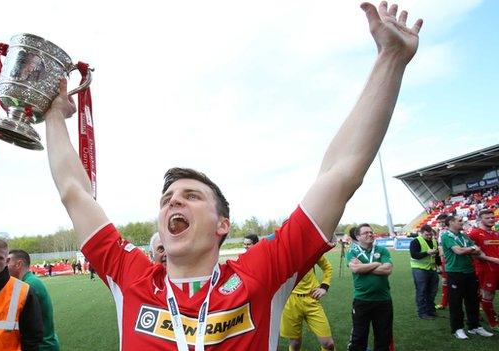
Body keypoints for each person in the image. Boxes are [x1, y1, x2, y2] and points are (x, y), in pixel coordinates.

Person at [43, 1, 423, 349]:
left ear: (223, 224)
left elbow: (339, 175)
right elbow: (75, 192)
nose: (173, 199)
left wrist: (390, 60)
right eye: (167, 198)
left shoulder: (260, 273)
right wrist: (54, 115)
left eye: (192, 195)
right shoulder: (132, 276)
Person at [440, 215, 493, 339]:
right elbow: (459, 251)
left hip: (469, 271)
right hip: (455, 272)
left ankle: (474, 327)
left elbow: (478, 250)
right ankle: (457, 328)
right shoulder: (446, 236)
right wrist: (471, 248)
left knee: (473, 301)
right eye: (459, 221)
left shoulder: (463, 236)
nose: (462, 222)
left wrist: (469, 249)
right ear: (451, 222)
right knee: (456, 302)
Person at [346, 224, 394, 351]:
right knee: (359, 337)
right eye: (366, 233)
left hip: (383, 300)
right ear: (358, 236)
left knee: (384, 338)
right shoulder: (352, 251)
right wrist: (377, 263)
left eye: (371, 232)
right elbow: (355, 268)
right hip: (362, 300)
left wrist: (365, 266)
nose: (370, 234)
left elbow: (387, 269)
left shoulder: (382, 250)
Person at [8, 249, 61, 351]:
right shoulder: (31, 281)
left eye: (8, 261)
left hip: (41, 347)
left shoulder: (28, 286)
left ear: (18, 264)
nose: (4, 265)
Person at [280, 255, 335, 351]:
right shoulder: (282, 252)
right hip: (290, 301)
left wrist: (324, 286)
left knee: (328, 344)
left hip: (311, 299)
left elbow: (327, 267)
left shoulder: (312, 250)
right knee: (295, 342)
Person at [468, 209, 499, 332]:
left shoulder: (495, 234)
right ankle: (493, 323)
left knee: (485, 295)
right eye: (488, 218)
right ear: (480, 219)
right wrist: (494, 260)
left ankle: (480, 312)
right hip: (486, 270)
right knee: (488, 295)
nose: (491, 219)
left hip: (497, 268)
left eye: (492, 217)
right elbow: (473, 254)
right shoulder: (474, 234)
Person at [409, 224, 441, 319]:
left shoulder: (434, 241)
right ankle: (422, 312)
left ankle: (430, 310)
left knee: (433, 291)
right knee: (421, 291)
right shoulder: (415, 241)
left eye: (430, 234)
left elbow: (437, 255)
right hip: (419, 269)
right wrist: (427, 253)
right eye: (427, 234)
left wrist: (439, 265)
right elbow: (414, 255)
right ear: (421, 233)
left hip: (432, 269)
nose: (429, 236)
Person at [435, 213, 449, 310]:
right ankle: (443, 303)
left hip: (454, 259)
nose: (440, 224)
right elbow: (440, 247)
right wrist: (440, 262)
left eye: (442, 222)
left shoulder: (455, 231)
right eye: (439, 222)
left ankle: (479, 304)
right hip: (444, 260)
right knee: (445, 281)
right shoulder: (441, 232)